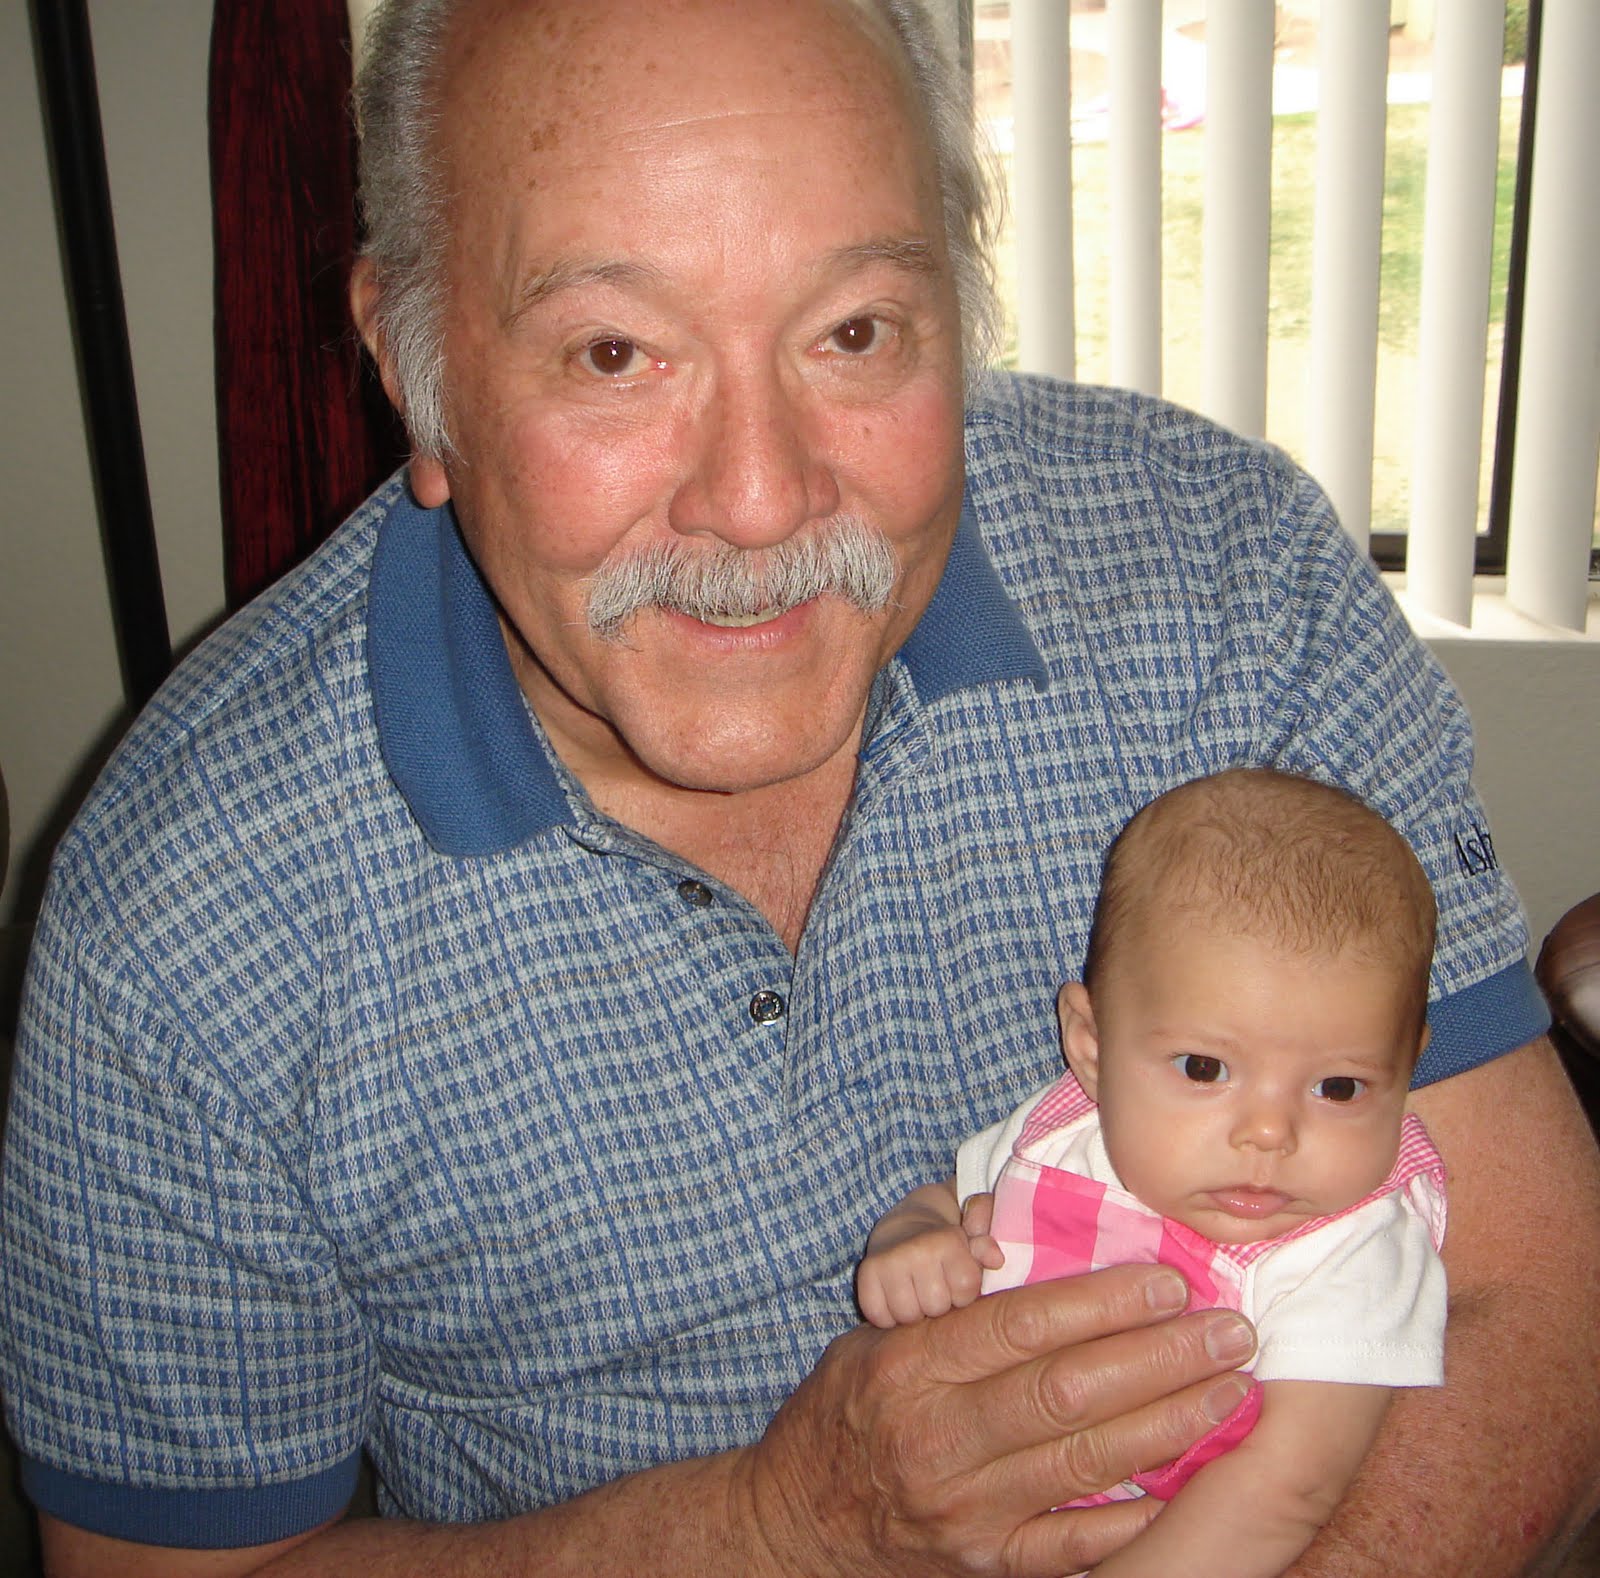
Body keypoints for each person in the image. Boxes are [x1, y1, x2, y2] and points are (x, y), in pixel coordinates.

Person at [1, 0, 1596, 1573]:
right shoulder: (186, 914)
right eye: (614, 352)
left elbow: (1542, 1294)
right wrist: (776, 1529)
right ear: (417, 378)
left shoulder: (1228, 579)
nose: (760, 501)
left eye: (853, 332)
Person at [860, 768, 1449, 1578]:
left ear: (1407, 1070)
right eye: (1205, 1069)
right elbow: (954, 1201)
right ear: (1092, 1048)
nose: (1269, 1133)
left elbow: (1286, 1491)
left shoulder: (1352, 1250)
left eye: (1338, 1087)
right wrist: (914, 1238)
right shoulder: (1067, 1131)